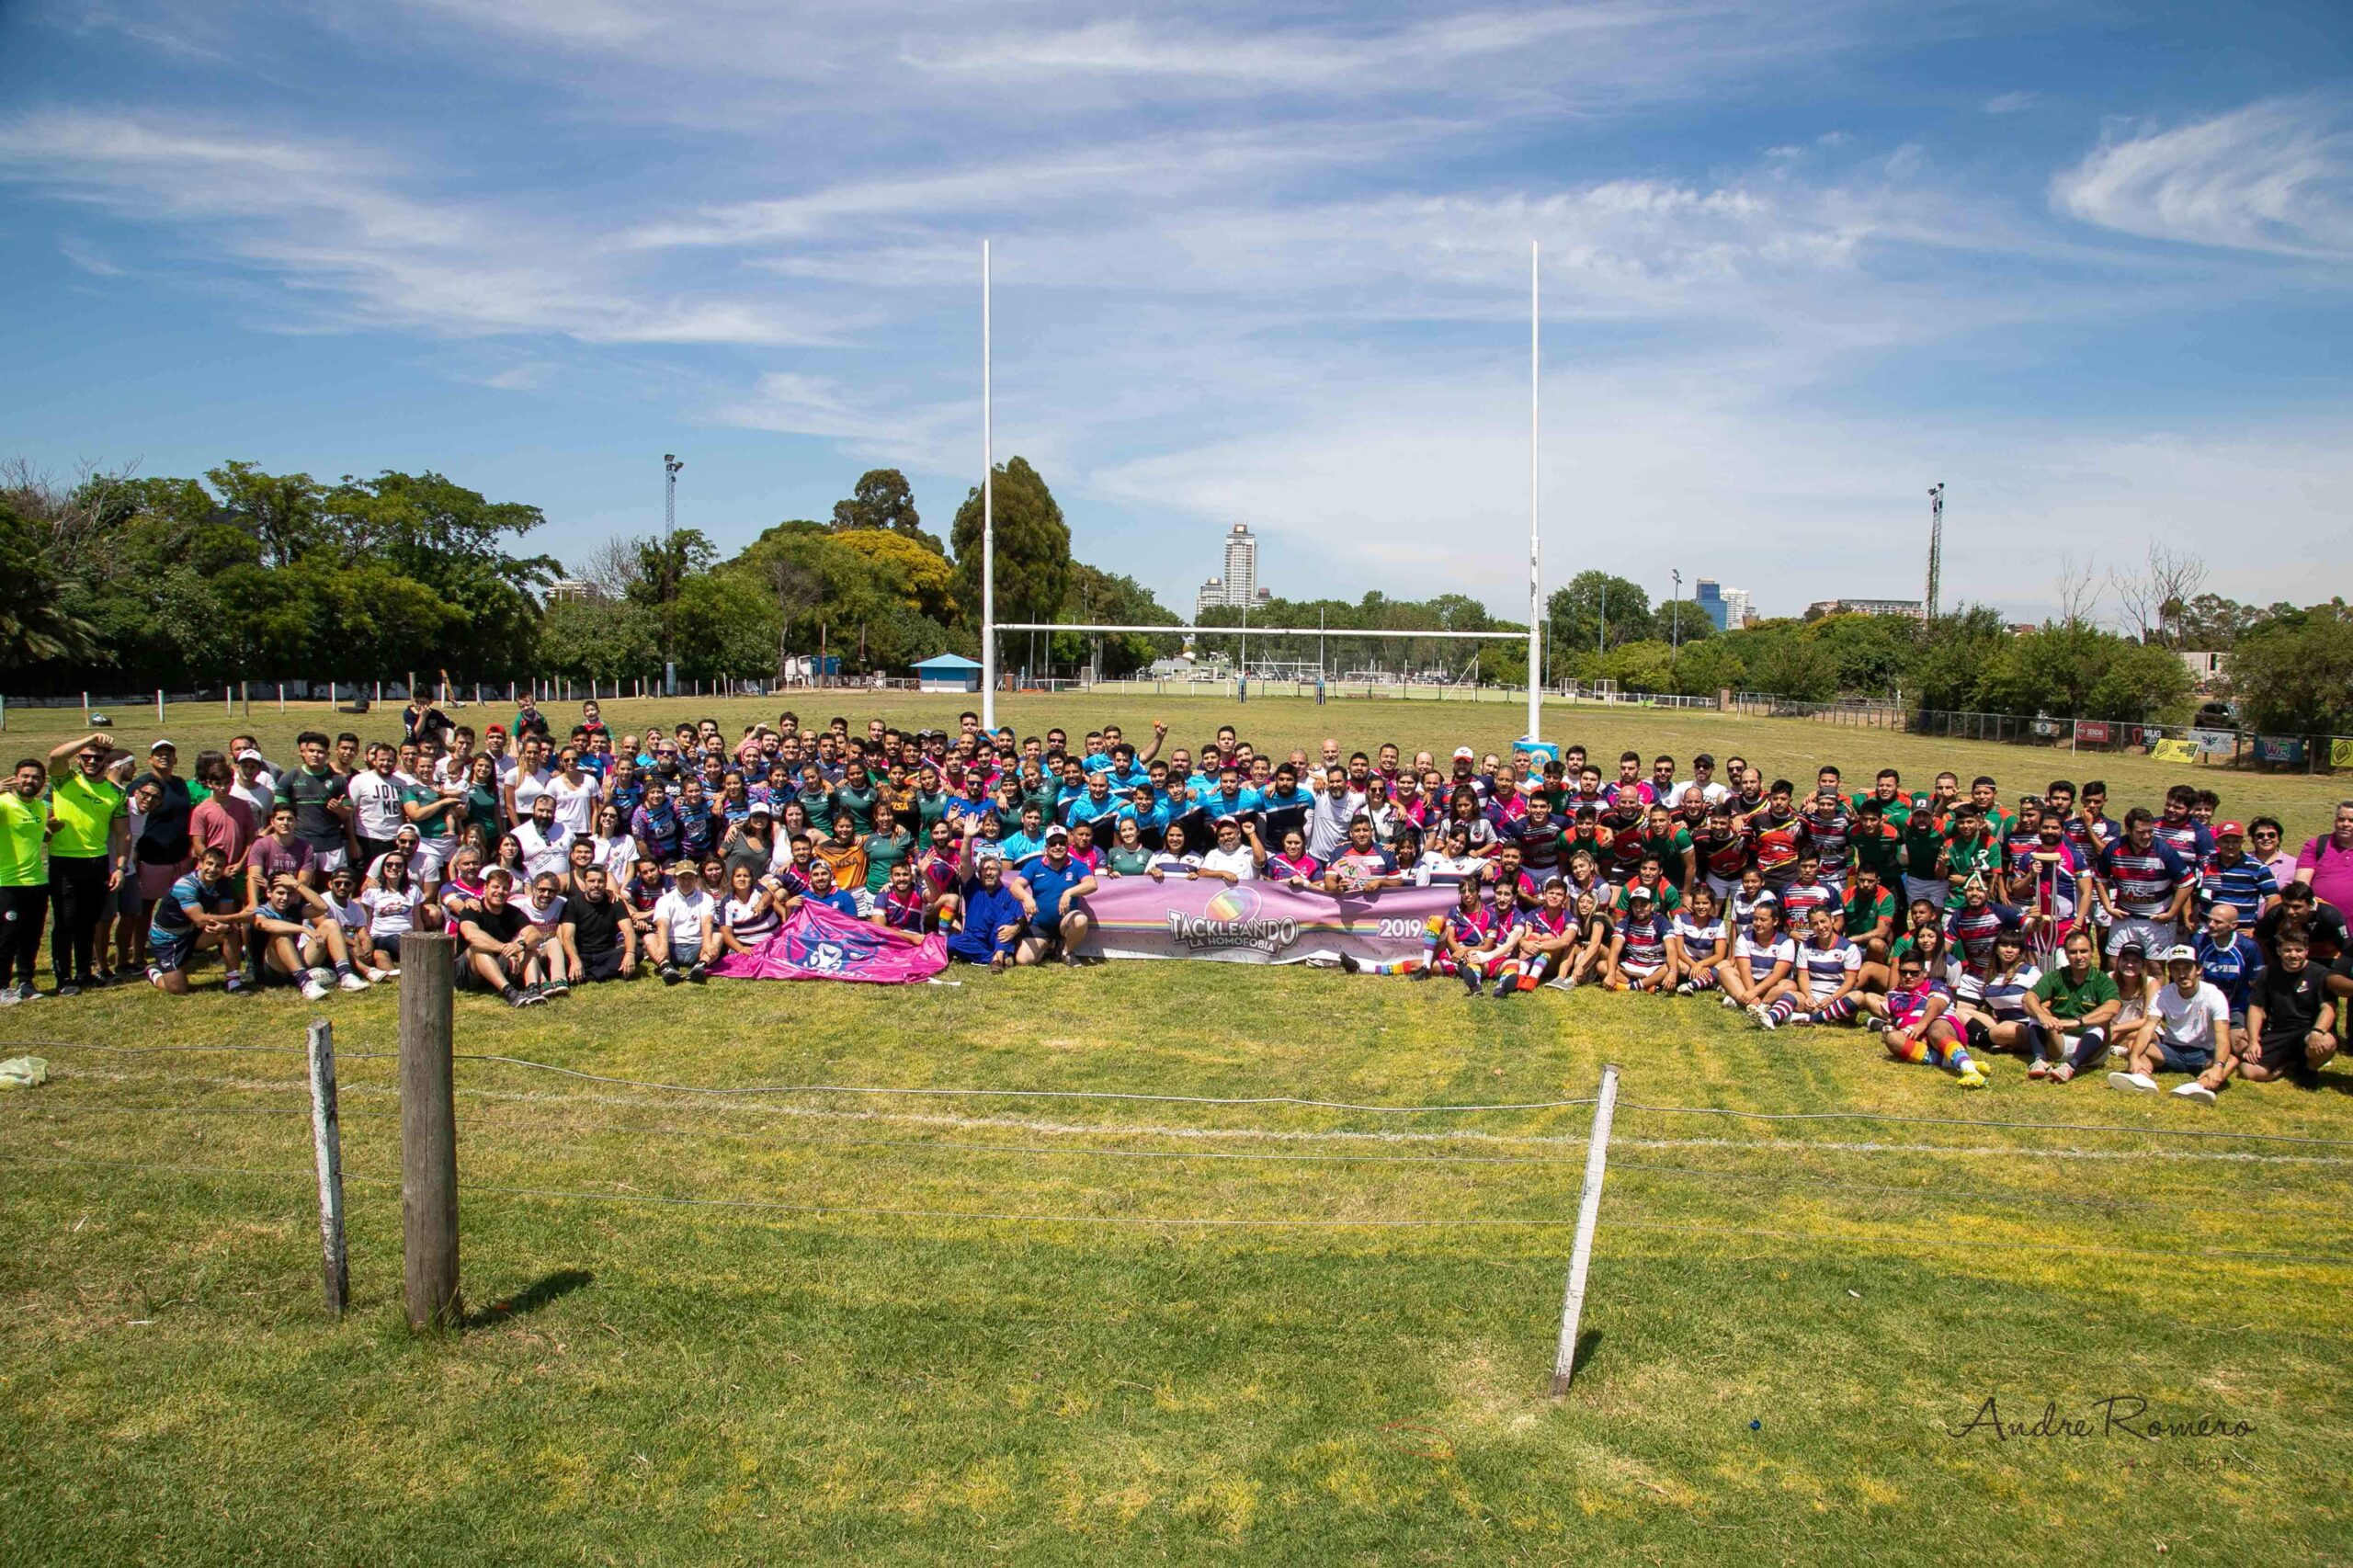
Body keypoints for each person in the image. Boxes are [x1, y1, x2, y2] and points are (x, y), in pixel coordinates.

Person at [42, 732, 128, 994]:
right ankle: (63, 978)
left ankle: (84, 973)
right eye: (87, 757)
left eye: (98, 757)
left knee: (88, 922)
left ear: (106, 761)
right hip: (64, 862)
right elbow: (55, 756)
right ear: (79, 759)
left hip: (97, 862)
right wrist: (90, 738)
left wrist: (121, 867)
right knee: (66, 922)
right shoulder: (64, 781)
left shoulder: (116, 793)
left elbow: (123, 834)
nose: (92, 761)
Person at [2109, 947, 2229, 1101]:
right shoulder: (2164, 994)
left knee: (2230, 1061)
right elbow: (2148, 1028)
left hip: (2203, 1053)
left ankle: (2198, 1087)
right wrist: (2134, 1057)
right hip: (2172, 1049)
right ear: (2170, 972)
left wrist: (2218, 1066)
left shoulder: (2213, 995)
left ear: (2198, 970)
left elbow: (2222, 1036)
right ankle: (2142, 1078)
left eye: (2187, 968)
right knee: (2136, 1046)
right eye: (2176, 969)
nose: (2182, 974)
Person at [2224, 928, 2337, 1088]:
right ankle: (2286, 1066)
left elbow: (2328, 1007)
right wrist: (2253, 1040)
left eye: (2298, 950)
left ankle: (2309, 1069)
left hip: (2307, 1029)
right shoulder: (2267, 973)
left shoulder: (2320, 974)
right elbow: (2256, 1008)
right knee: (2249, 1070)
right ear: (2279, 951)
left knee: (2327, 1043)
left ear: (2306, 951)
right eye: (2288, 950)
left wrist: (2318, 1031)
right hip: (2277, 1030)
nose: (2293, 955)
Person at [1867, 951, 1987, 1087]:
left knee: (1936, 1030)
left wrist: (1921, 1025)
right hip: (1916, 1036)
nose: (1908, 977)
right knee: (1892, 1039)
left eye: (1914, 973)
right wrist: (1893, 1024)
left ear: (1924, 972)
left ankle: (1970, 1071)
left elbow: (1935, 1007)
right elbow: (1874, 1001)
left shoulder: (1935, 985)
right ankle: (1960, 1061)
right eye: (1903, 972)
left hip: (1940, 1027)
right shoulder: (1894, 993)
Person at [245, 873, 370, 1000]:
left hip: (295, 965)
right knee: (281, 935)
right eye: (280, 893)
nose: (285, 898)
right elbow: (266, 925)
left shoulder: (293, 909)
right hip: (271, 970)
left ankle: (346, 975)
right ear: (269, 893)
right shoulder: (260, 911)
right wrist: (304, 929)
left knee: (330, 924)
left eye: (289, 894)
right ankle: (306, 983)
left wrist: (297, 884)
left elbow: (322, 907)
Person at [2021, 930, 2121, 1083]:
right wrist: (2043, 1016)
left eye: (2084, 951)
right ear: (2066, 955)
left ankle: (2071, 1066)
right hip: (2059, 1041)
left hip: (2092, 1048)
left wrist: (2077, 1022)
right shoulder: (2055, 976)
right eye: (2073, 952)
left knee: (2102, 1022)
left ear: (2092, 953)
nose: (2079, 957)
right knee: (2035, 1012)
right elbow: (2028, 997)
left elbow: (2112, 1007)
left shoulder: (2103, 980)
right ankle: (2039, 1060)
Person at [147, 845, 248, 994]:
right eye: (209, 864)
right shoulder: (185, 885)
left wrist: (224, 926)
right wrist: (239, 917)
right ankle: (153, 972)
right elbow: (200, 919)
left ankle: (233, 981)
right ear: (200, 864)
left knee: (230, 931)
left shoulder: (223, 883)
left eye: (219, 866)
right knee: (178, 989)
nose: (213, 869)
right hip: (168, 938)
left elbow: (225, 914)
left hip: (192, 931)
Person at [455, 867, 550, 1006]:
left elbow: (535, 934)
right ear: (485, 887)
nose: (500, 891)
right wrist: (506, 948)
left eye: (505, 888)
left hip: (498, 966)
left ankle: (532, 990)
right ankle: (509, 993)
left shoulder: (512, 912)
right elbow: (472, 936)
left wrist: (519, 946)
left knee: (528, 946)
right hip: (469, 971)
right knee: (478, 948)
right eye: (496, 887)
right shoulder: (471, 909)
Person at [0, 757, 51, 1002]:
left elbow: (37, 834)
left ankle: (25, 983)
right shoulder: (4, 803)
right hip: (7, 884)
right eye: (25, 776)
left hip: (36, 882)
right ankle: (2, 986)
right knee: (7, 937)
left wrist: (52, 831)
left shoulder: (40, 807)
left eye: (36, 777)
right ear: (15, 778)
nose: (30, 781)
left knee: (32, 936)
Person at [1765, 905, 1865, 1027]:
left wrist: (1832, 999)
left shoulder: (1849, 948)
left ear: (1832, 920)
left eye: (1823, 921)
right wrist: (1808, 996)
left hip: (1837, 999)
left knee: (1858, 997)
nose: (1820, 927)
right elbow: (1803, 976)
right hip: (1813, 999)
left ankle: (1813, 1019)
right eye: (1815, 924)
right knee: (1790, 995)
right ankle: (1769, 1018)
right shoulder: (1805, 946)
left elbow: (1850, 982)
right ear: (1811, 927)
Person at [1014, 828, 1097, 967]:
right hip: (1040, 924)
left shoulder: (1077, 865)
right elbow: (1015, 886)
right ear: (1046, 847)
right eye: (1053, 843)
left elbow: (1092, 884)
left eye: (1061, 843)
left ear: (1067, 845)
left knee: (1081, 919)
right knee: (1024, 960)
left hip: (1066, 923)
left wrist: (1068, 892)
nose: (1057, 847)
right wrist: (1026, 898)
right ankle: (1052, 945)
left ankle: (1066, 952)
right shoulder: (1035, 865)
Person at [1719, 901, 1796, 1025]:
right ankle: (1757, 1005)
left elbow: (1777, 975)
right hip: (1748, 983)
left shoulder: (1786, 942)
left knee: (1789, 985)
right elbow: (1745, 970)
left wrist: (1754, 993)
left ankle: (1743, 1002)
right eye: (1755, 919)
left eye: (1763, 920)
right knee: (1725, 972)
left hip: (1771, 987)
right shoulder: (1744, 938)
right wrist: (1752, 993)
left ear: (1775, 921)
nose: (1758, 923)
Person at [947, 852, 1026, 971]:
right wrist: (968, 837)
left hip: (997, 939)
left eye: (993, 869)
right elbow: (965, 862)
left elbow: (1022, 919)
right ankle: (997, 958)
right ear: (979, 874)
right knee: (952, 942)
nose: (988, 873)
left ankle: (998, 956)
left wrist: (1016, 928)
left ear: (1000, 873)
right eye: (984, 870)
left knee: (1008, 915)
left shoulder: (1009, 893)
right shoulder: (972, 887)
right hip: (973, 939)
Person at [559, 864, 636, 983]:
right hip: (582, 953)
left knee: (637, 952)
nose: (596, 885)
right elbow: (567, 938)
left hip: (606, 953)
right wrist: (575, 960)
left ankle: (589, 976)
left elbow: (628, 931)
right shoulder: (573, 904)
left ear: (605, 883)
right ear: (584, 883)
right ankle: (602, 973)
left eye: (600, 881)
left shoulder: (615, 902)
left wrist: (630, 954)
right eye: (591, 881)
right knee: (559, 959)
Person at [648, 860, 720, 984]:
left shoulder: (706, 898)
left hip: (698, 947)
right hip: (672, 946)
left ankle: (700, 966)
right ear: (675, 879)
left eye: (690, 877)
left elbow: (707, 921)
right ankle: (666, 967)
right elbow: (662, 924)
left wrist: (707, 943)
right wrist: (663, 947)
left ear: (696, 879)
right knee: (649, 938)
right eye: (682, 878)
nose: (686, 881)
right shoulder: (664, 900)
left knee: (718, 936)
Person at [1603, 884, 1676, 995]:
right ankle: (1646, 986)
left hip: (1654, 968)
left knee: (1671, 967)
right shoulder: (1626, 922)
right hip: (1630, 966)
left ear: (1652, 906)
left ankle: (1630, 986)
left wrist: (1673, 972)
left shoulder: (1661, 921)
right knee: (1601, 966)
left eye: (1643, 905)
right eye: (1635, 905)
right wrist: (1611, 974)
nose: (1639, 909)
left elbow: (1671, 950)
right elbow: (1614, 950)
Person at [2294, 801, 2353, 914]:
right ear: (2335, 821)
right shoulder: (2316, 845)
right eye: (2341, 819)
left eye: (2351, 821)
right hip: (2321, 921)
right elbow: (2301, 885)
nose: (2345, 824)